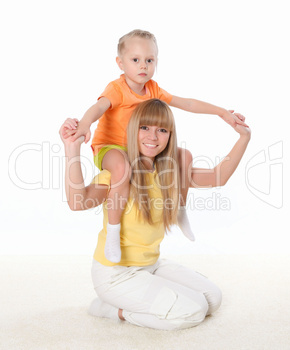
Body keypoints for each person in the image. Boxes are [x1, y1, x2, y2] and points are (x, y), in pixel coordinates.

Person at [59, 99, 251, 331]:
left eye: (161, 130)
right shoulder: (119, 174)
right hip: (115, 275)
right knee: (193, 311)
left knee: (212, 298)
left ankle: (145, 296)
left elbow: (218, 176)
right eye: (145, 128)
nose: (153, 137)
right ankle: (112, 310)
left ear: (170, 135)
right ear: (133, 130)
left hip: (151, 265)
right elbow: (77, 202)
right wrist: (72, 150)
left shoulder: (168, 172)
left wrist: (244, 138)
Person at [66, 29, 248, 263]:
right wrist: (84, 124)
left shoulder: (152, 88)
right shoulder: (117, 89)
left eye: (149, 60)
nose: (143, 66)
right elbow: (99, 108)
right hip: (110, 148)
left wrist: (222, 112)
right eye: (135, 60)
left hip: (135, 150)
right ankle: (113, 231)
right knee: (121, 169)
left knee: (184, 156)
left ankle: (179, 210)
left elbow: (188, 103)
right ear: (120, 63)